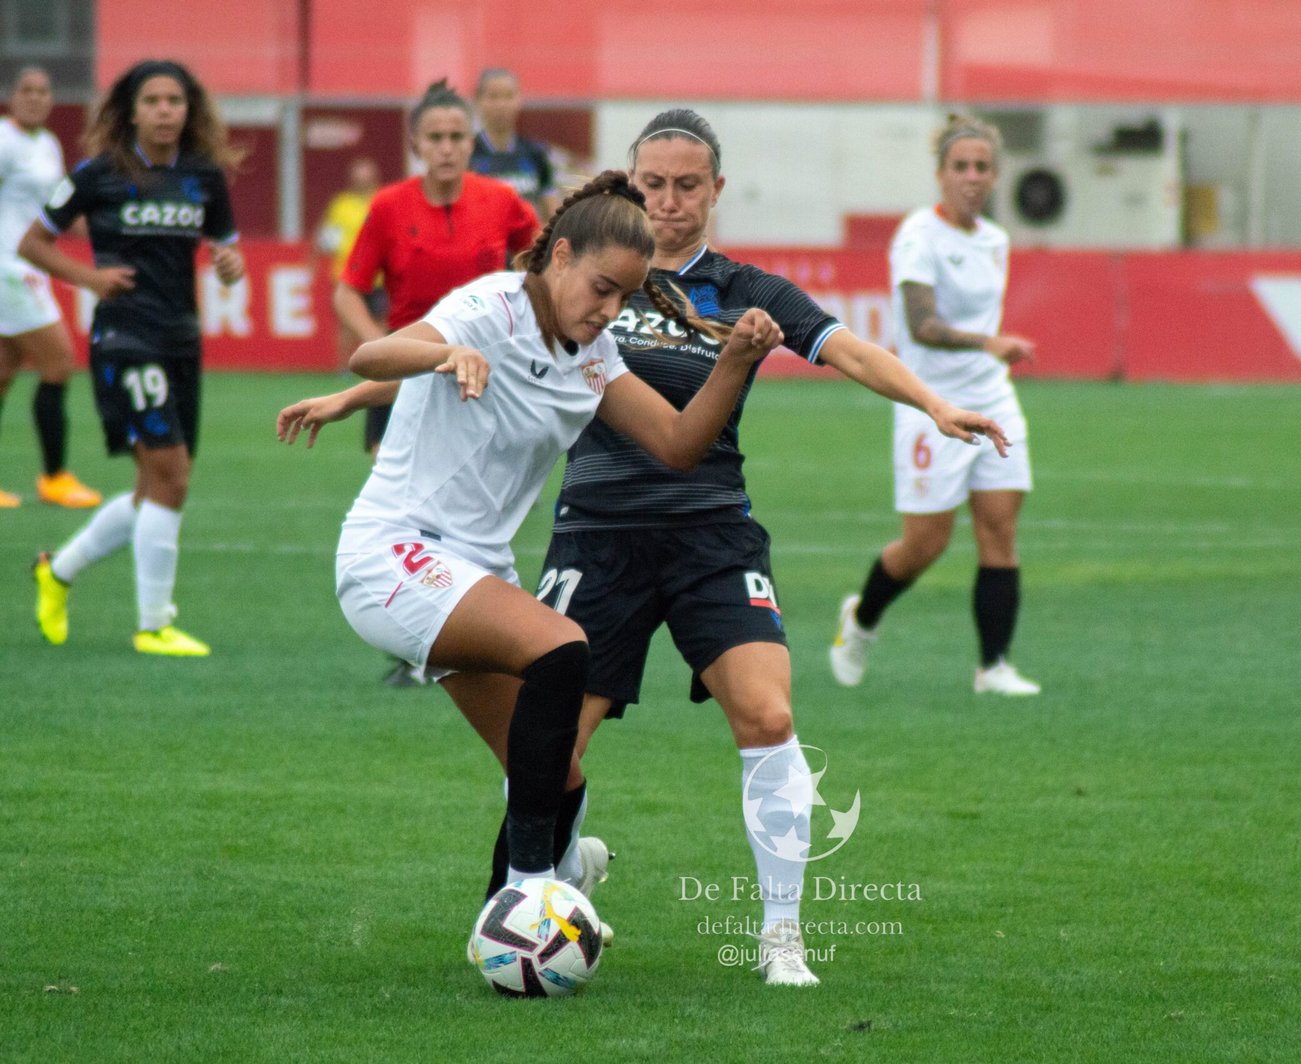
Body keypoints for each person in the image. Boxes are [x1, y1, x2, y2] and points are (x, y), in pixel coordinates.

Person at [489, 109, 1011, 987]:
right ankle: (551, 887)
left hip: (714, 535)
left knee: (769, 718)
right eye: (653, 184)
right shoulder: (589, 281)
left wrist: (932, 404)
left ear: (717, 190)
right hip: (597, 534)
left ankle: (781, 939)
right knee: (548, 749)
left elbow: (849, 349)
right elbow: (489, 333)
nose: (669, 201)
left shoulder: (745, 291)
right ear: (629, 184)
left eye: (687, 185)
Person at [274, 172, 783, 954]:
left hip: (471, 573)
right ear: (562, 255)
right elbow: (371, 353)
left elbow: (680, 444)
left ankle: (508, 928)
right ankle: (533, 888)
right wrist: (444, 357)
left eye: (625, 297)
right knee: (562, 648)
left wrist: (736, 361)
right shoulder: (492, 307)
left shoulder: (595, 356)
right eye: (602, 288)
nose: (609, 310)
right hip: (394, 554)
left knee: (554, 773)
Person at [22, 59, 245, 656]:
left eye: (175, 101)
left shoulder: (203, 175)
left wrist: (230, 265)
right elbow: (33, 243)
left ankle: (57, 572)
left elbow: (229, 255)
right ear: (132, 110)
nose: (165, 111)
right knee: (173, 476)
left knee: (154, 487)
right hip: (125, 340)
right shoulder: (99, 174)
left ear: (189, 110)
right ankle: (154, 625)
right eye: (153, 101)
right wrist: (88, 279)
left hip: (181, 341)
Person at [831, 114, 1041, 697]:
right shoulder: (918, 236)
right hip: (929, 403)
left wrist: (989, 354)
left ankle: (993, 667)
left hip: (992, 395)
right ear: (941, 173)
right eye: (960, 166)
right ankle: (861, 620)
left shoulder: (995, 239)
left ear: (995, 175)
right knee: (926, 544)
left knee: (999, 531)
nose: (972, 176)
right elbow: (922, 325)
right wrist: (989, 342)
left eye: (982, 167)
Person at [335, 80, 538, 684]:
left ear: (471, 142)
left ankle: (458, 630)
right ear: (415, 143)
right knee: (402, 505)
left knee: (468, 505)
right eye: (435, 137)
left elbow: (543, 268)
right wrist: (380, 346)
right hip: (405, 379)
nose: (447, 148)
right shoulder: (388, 207)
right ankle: (415, 636)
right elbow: (349, 290)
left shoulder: (503, 201)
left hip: (481, 380)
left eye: (456, 136)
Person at [0, 66, 101, 509]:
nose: (35, 97)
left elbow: (55, 210)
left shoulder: (47, 143)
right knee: (59, 361)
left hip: (28, 268)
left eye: (43, 91)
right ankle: (55, 477)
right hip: (8, 268)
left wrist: (105, 229)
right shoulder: (4, 141)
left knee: (3, 373)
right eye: (27, 90)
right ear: (12, 96)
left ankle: (53, 477)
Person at [313, 155, 383, 370]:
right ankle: (344, 366)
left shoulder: (383, 201)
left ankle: (378, 363)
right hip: (346, 274)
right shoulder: (341, 205)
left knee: (379, 319)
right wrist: (316, 257)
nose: (362, 182)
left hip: (378, 275)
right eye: (358, 178)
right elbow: (327, 236)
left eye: (366, 177)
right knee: (346, 322)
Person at [469, 68, 560, 220]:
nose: (501, 105)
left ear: (519, 100)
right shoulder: (466, 154)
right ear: (478, 100)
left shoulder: (536, 153)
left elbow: (552, 214)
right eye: (493, 97)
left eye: (508, 96)